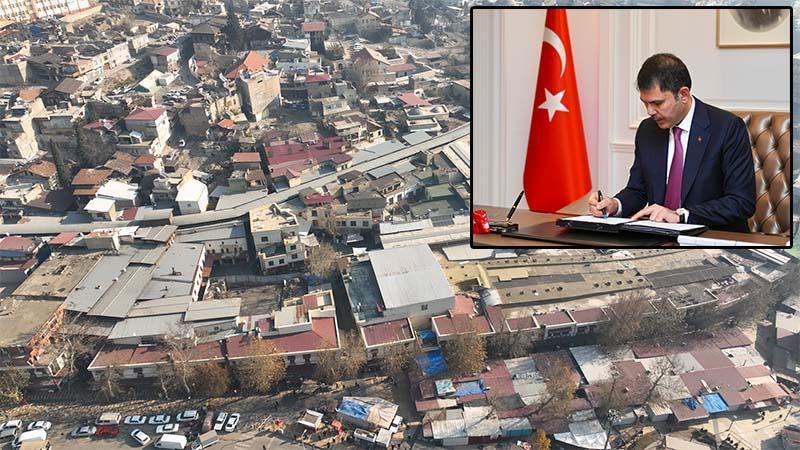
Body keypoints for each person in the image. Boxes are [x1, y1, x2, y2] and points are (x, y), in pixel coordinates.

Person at [589, 53, 756, 232]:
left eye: (657, 103)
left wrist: (681, 216)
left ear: (683, 94)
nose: (650, 111)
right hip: (659, 237)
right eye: (645, 103)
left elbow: (741, 201)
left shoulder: (727, 128)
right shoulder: (647, 130)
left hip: (713, 236)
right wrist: (615, 205)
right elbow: (638, 191)